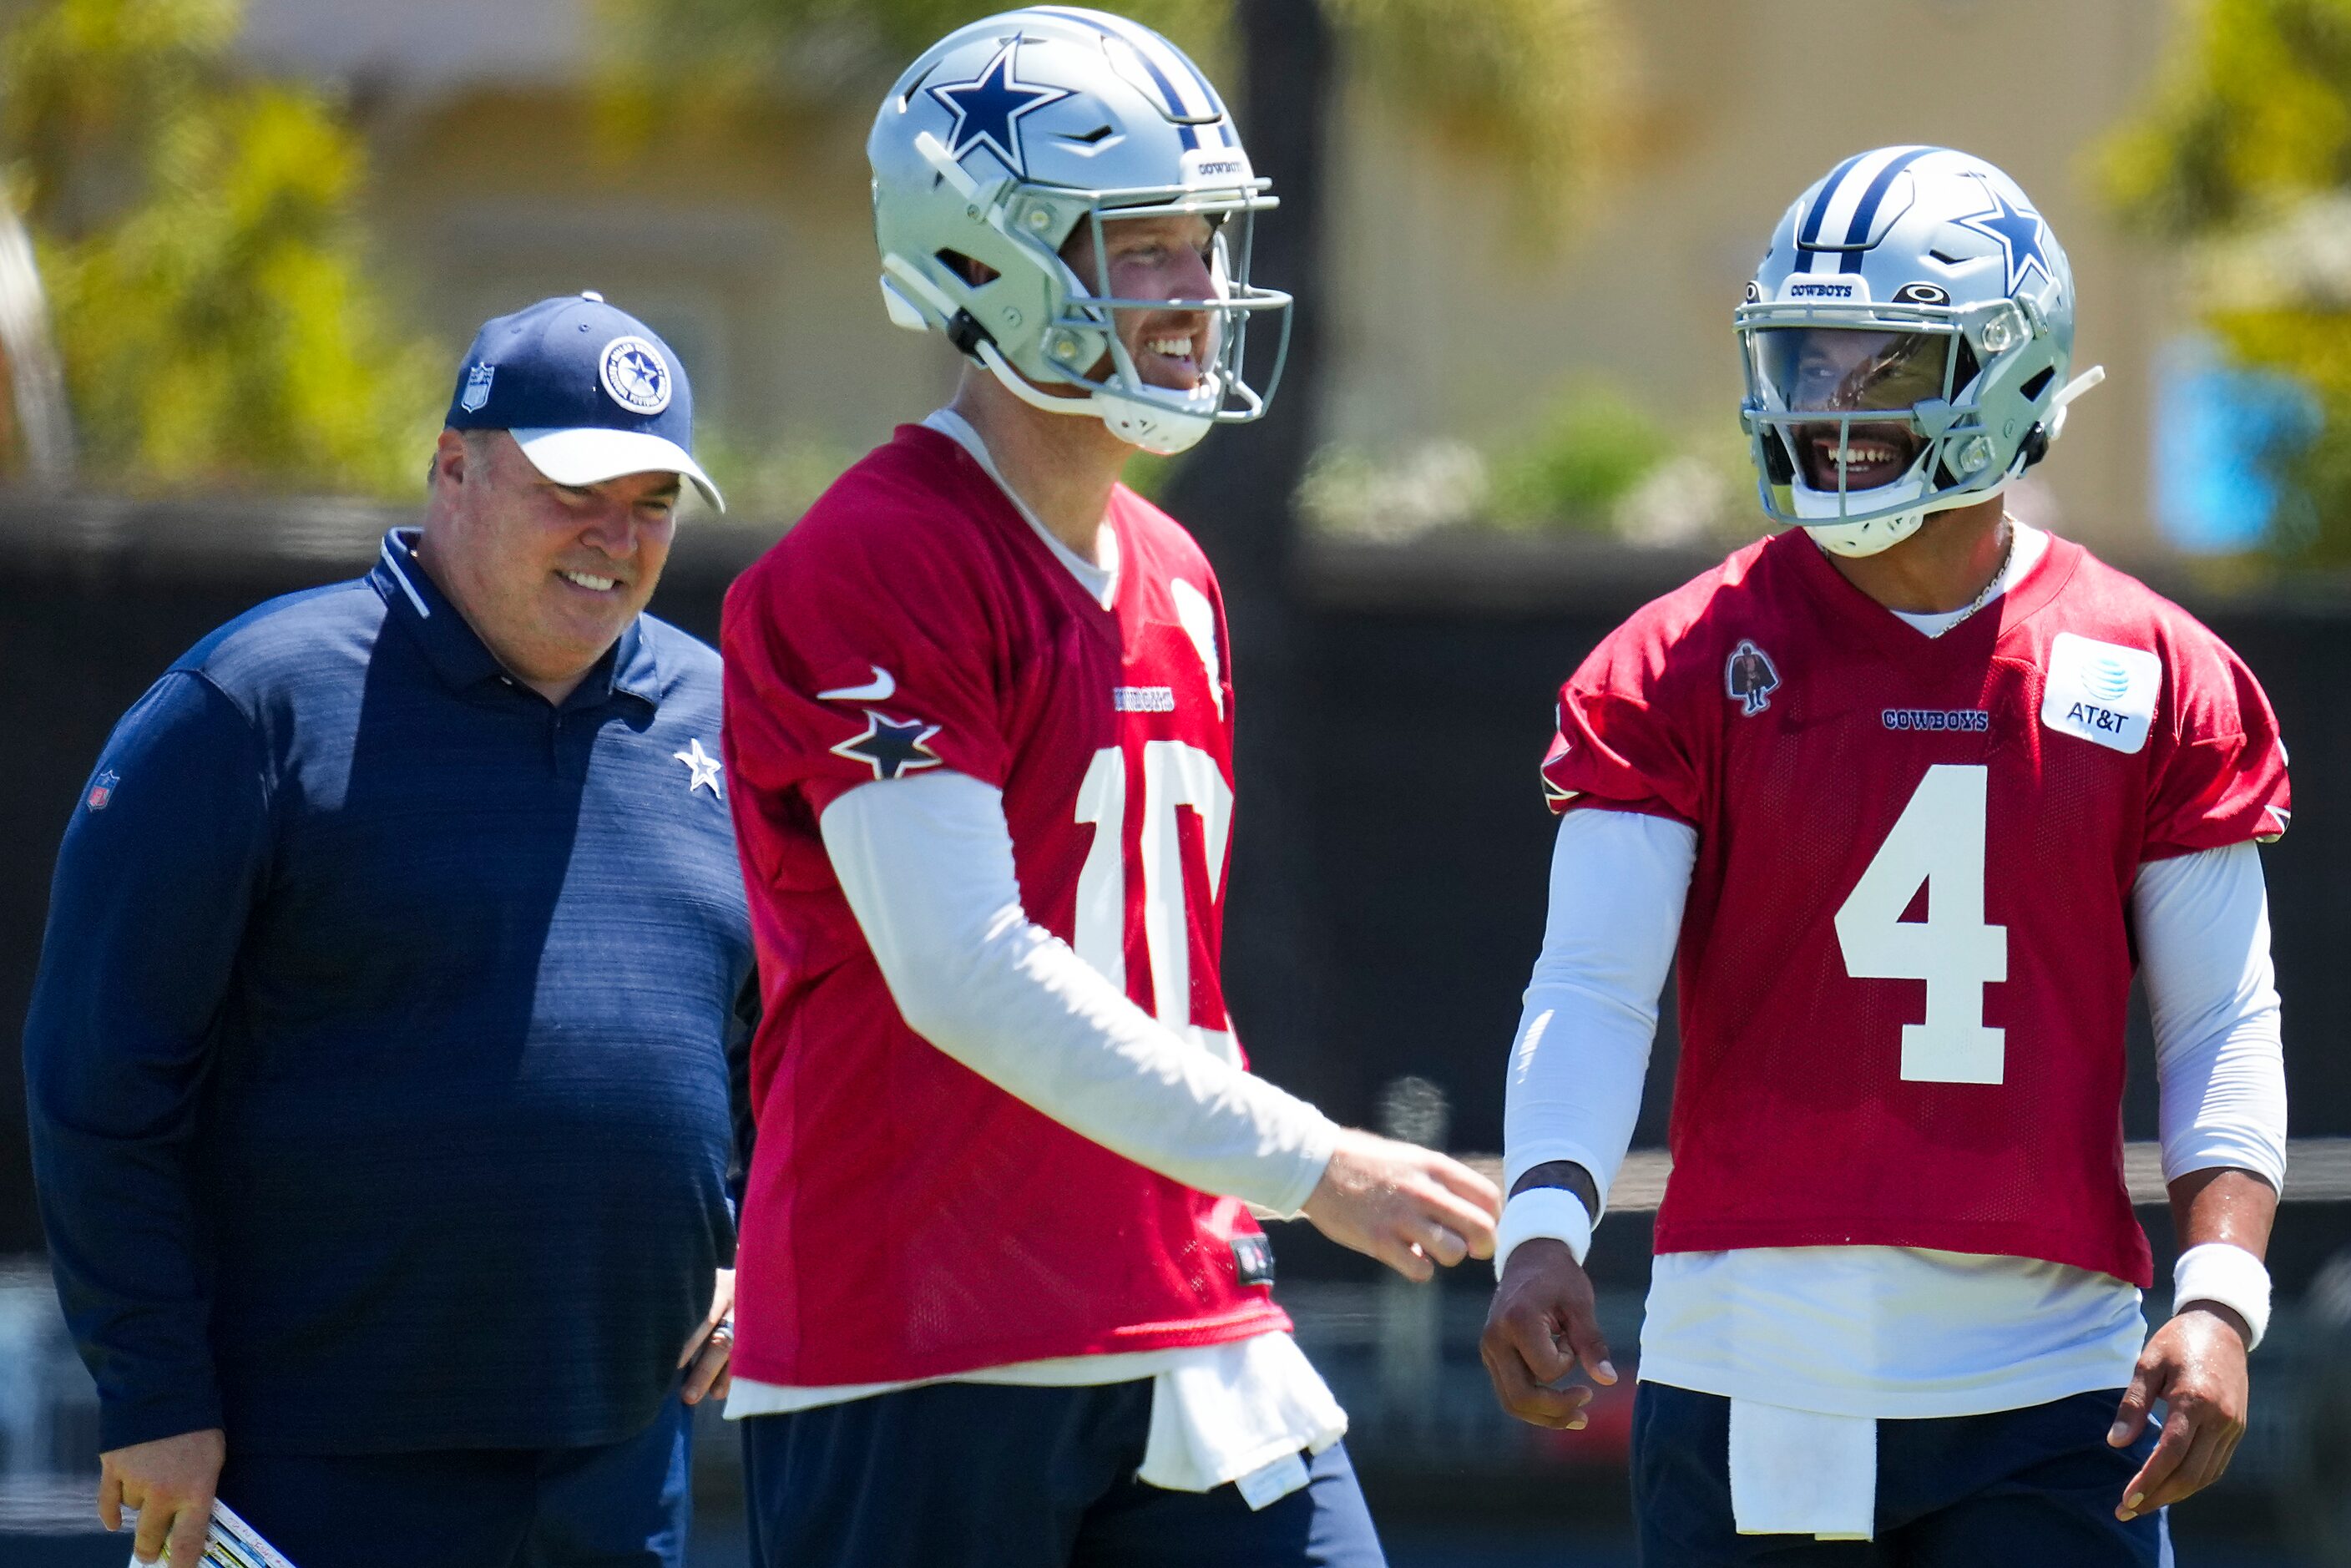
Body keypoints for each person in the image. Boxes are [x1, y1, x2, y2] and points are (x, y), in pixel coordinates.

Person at [717, 9, 1501, 1565]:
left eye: (1204, 245)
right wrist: (1312, 1160)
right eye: (1143, 248)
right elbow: (964, 971)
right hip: (925, 1338)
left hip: (1184, 1306)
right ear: (983, 255)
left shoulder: (1179, 572)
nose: (1198, 295)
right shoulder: (883, 562)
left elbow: (1164, 982)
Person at [1479, 146, 2289, 1563]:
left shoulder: (2157, 670)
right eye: (1805, 357)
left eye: (1881, 363)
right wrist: (1540, 1222)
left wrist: (2220, 1294)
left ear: (2009, 372)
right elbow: (1593, 985)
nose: (1827, 407)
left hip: (2054, 1391)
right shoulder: (1677, 661)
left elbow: (2222, 1014)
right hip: (1754, 1368)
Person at [24, 293, 751, 1568]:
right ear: (453, 469)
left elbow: (805, 1033)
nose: (615, 537)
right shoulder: (252, 706)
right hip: (301, 1466)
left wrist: (766, 1239)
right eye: (573, 488)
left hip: (622, 1466)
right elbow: (97, 1082)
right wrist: (156, 1394)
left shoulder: (726, 717)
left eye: (652, 500)